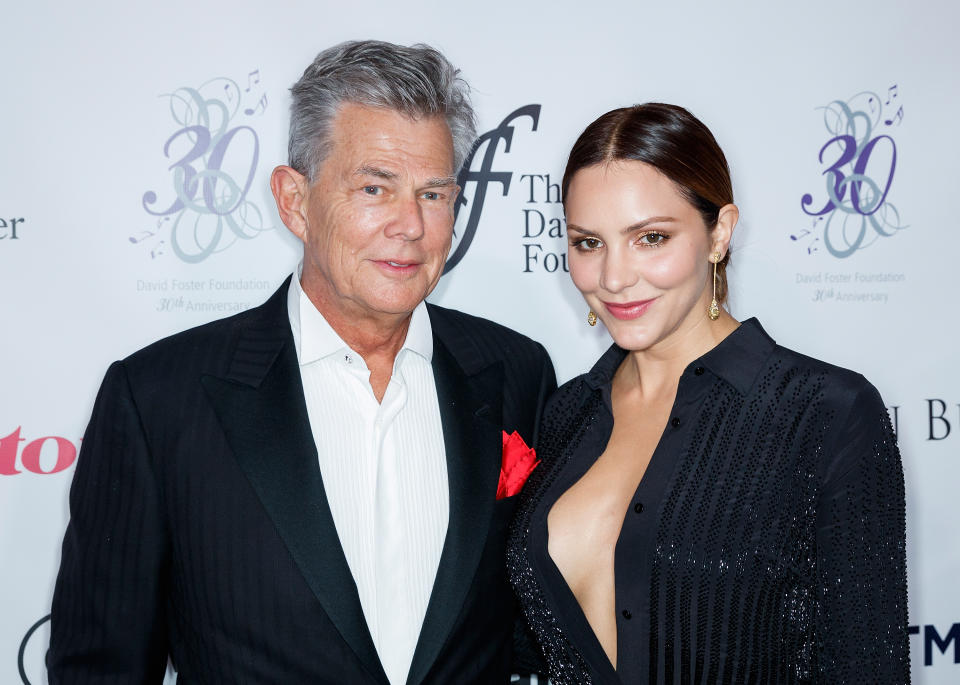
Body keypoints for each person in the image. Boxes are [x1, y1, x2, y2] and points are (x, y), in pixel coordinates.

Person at [48, 40, 555, 684]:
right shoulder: (157, 402)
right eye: (375, 187)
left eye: (434, 194)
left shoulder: (518, 372)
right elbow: (101, 668)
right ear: (294, 200)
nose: (410, 224)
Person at [507, 103, 910, 684]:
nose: (614, 277)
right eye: (589, 242)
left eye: (650, 238)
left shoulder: (824, 414)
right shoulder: (566, 413)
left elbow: (866, 668)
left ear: (719, 232)